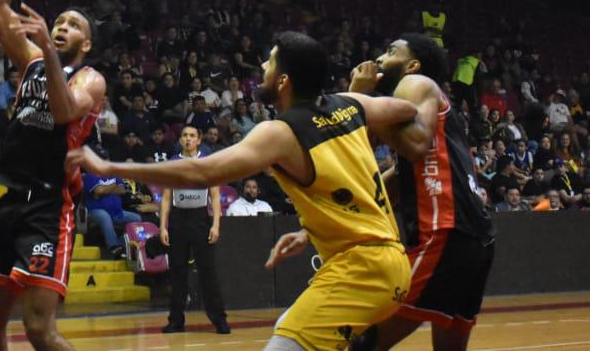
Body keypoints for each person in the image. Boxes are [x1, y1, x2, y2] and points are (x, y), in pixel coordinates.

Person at [72, 31, 418, 350]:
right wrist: (307, 231)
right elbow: (406, 109)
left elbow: (203, 171)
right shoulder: (350, 105)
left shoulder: (280, 132)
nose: (262, 66)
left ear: (283, 80)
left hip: (361, 270)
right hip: (390, 262)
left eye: (269, 61)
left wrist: (111, 167)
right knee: (291, 327)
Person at [0, 0, 107, 351]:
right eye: (60, 22)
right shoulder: (31, 60)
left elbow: (66, 111)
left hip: (50, 209)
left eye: (74, 27)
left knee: (38, 330)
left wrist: (48, 49)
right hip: (12, 203)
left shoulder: (89, 79)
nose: (63, 27)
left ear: (85, 44)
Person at [347, 34, 496, 351]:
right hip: (475, 239)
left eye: (390, 52)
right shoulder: (415, 108)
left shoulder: (416, 82)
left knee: (364, 344)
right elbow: (398, 174)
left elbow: (415, 146)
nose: (379, 60)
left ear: (412, 64)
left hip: (444, 232)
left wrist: (357, 100)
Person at [157, 123, 227, 333]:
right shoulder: (173, 163)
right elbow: (166, 198)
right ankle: (175, 321)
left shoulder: (207, 163)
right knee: (177, 272)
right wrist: (163, 227)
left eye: (192, 135)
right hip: (178, 220)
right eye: (184, 135)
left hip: (200, 219)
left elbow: (215, 196)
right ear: (180, 140)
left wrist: (215, 225)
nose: (188, 139)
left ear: (199, 139)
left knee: (208, 272)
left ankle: (220, 320)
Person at [81, 170, 141, 259]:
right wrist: (114, 185)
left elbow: (121, 190)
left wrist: (104, 190)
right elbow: (98, 191)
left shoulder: (114, 173)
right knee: (104, 216)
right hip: (95, 211)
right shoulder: (90, 175)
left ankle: (122, 245)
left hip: (117, 212)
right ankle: (114, 247)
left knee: (136, 219)